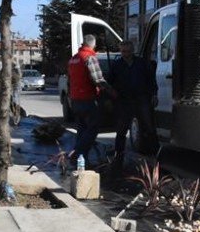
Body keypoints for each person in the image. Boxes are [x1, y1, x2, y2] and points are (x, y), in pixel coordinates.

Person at [107, 40, 158, 175]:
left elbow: (151, 80)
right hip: (124, 101)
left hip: (142, 99)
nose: (125, 54)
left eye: (128, 51)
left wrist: (153, 94)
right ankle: (118, 159)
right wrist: (111, 94)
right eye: (123, 51)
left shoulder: (141, 63)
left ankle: (156, 157)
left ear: (132, 50)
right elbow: (109, 82)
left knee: (149, 127)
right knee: (121, 131)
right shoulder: (116, 65)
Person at [67, 34, 108, 163]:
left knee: (82, 129)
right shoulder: (89, 57)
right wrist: (112, 92)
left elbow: (71, 80)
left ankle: (81, 160)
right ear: (93, 44)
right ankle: (77, 153)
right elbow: (98, 80)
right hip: (88, 99)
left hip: (75, 99)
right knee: (92, 129)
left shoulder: (73, 59)